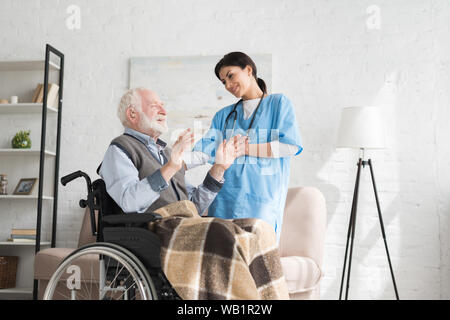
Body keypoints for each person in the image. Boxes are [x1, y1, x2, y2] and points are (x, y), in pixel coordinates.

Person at [190, 52, 303, 242]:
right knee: (222, 262)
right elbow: (204, 150)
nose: (227, 85)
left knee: (256, 261)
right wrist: (176, 162)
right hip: (224, 201)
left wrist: (244, 149)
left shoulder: (278, 104)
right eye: (223, 82)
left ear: (248, 70)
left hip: (261, 202)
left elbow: (289, 146)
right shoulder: (223, 116)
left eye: (230, 76)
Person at [98, 87, 247, 216]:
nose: (164, 111)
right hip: (156, 232)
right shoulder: (119, 149)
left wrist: (219, 168)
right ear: (132, 114)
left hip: (185, 227)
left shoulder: (168, 153)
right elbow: (129, 202)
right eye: (155, 106)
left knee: (255, 229)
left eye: (163, 106)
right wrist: (171, 168)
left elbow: (194, 207)